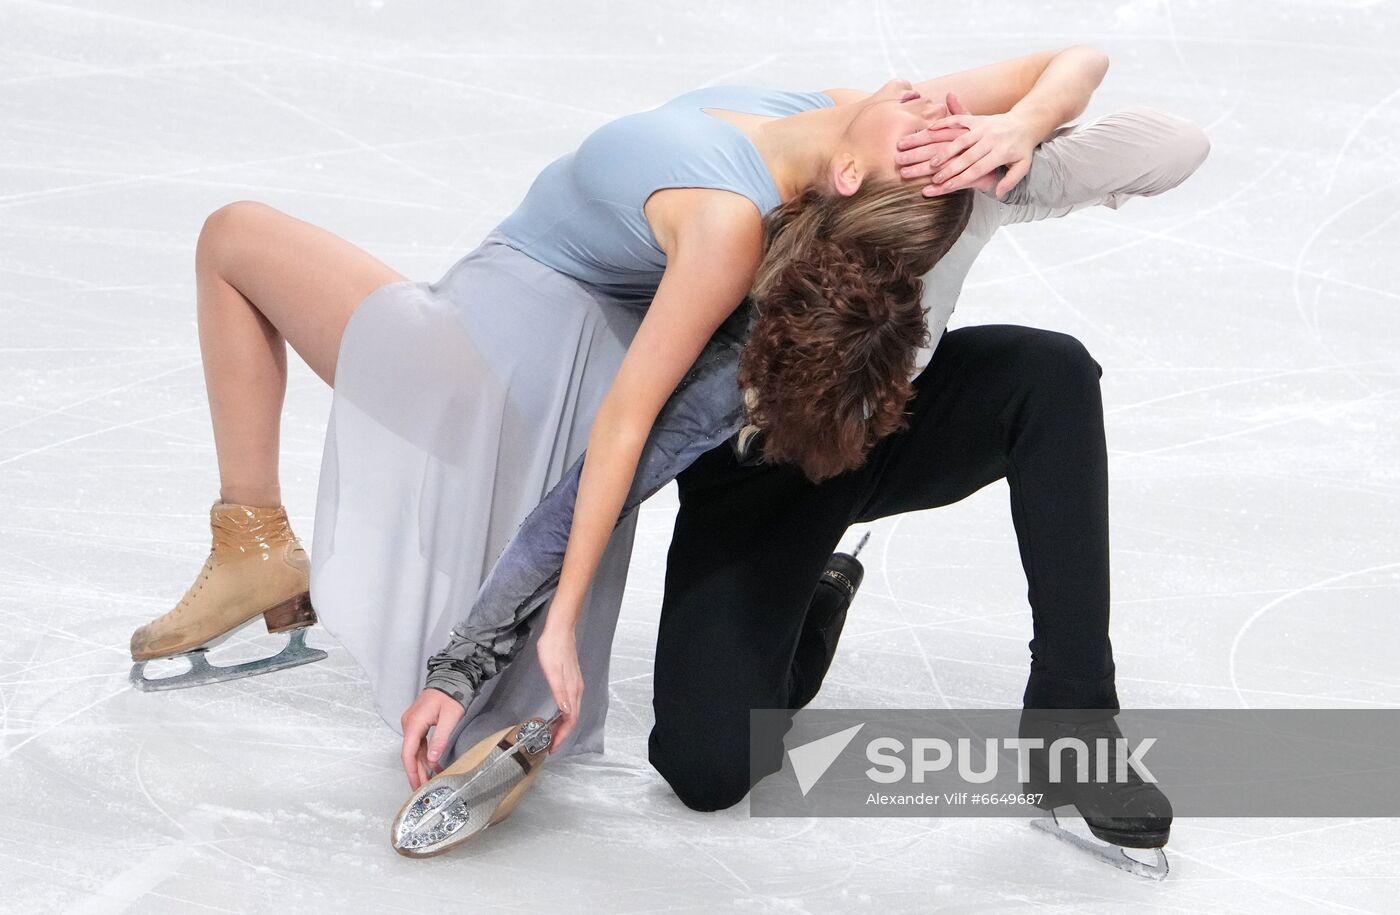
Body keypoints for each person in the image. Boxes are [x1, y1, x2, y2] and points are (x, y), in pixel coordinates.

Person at [127, 50, 1109, 732]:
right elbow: (1074, 60)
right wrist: (1016, 126)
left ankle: (249, 546)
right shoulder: (844, 110)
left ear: (849, 178)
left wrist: (554, 629)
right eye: (941, 128)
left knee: (234, 236)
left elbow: (630, 422)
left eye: (936, 140)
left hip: (496, 363)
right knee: (241, 241)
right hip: (505, 322)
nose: (944, 119)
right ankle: (255, 553)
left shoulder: (730, 221)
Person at [398, 53, 1208, 873]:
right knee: (707, 769)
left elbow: (1175, 144)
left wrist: (1020, 132)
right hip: (767, 479)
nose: (932, 111)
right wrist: (469, 663)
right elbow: (603, 477)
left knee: (1052, 372)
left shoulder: (960, 179)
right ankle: (815, 599)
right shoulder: (736, 331)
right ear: (844, 185)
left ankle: (1075, 729)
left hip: (900, 429)